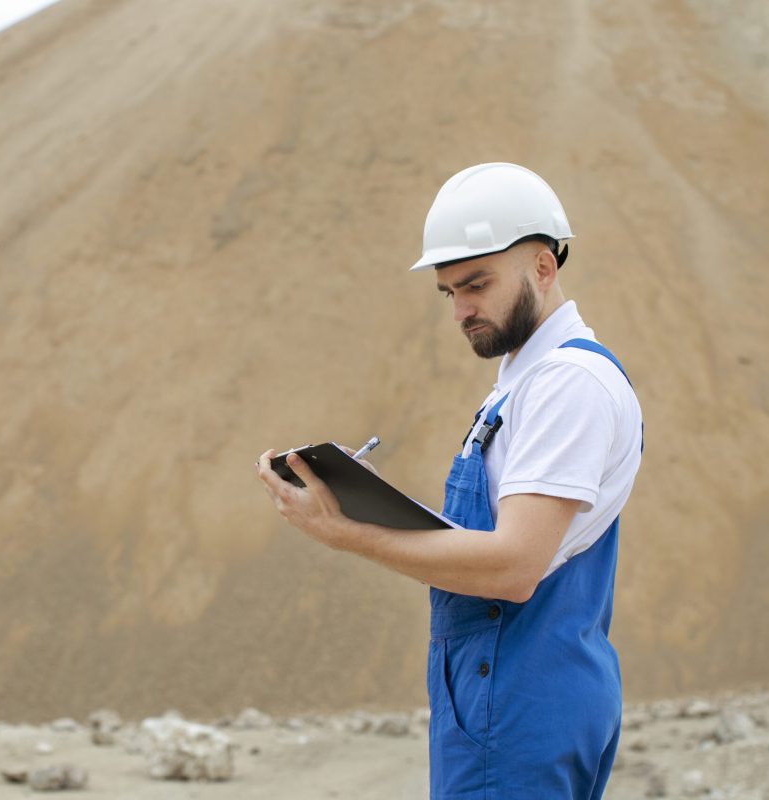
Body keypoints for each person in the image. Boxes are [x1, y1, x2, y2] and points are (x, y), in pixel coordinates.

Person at [256, 162, 643, 799]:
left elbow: (513, 567)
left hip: (519, 701)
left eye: (477, 285)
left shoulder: (567, 385)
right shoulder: (524, 383)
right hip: (502, 696)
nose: (461, 310)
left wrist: (346, 534)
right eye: (448, 292)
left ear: (543, 266)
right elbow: (489, 542)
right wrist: (365, 499)